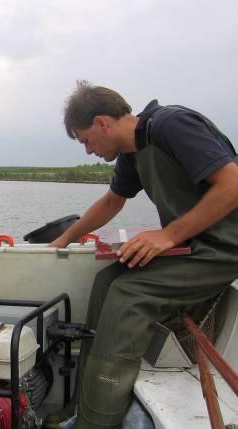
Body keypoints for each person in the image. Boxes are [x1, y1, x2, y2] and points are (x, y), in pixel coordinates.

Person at [49, 81, 238, 429]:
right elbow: (111, 202)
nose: (88, 151)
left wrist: (167, 235)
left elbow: (233, 183)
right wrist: (61, 241)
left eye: (86, 140)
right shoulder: (132, 153)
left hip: (224, 249)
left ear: (103, 122)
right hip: (193, 247)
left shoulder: (170, 125)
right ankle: (86, 405)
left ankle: (97, 423)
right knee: (107, 281)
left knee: (129, 296)